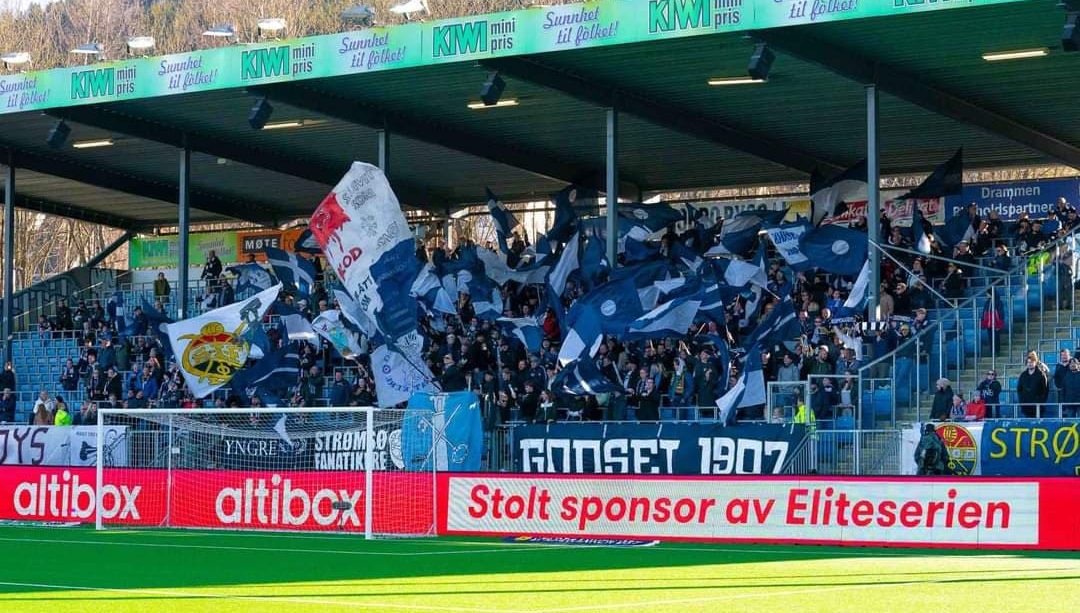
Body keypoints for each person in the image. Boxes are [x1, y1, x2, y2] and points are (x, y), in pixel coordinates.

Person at [1017, 352, 1049, 418]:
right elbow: (1019, 389)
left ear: (1035, 362)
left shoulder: (1041, 375)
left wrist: (1041, 402)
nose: (1030, 364)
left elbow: (1045, 390)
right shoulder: (1023, 375)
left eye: (1032, 362)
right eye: (1028, 362)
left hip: (1038, 406)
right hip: (1026, 405)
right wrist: (1022, 401)